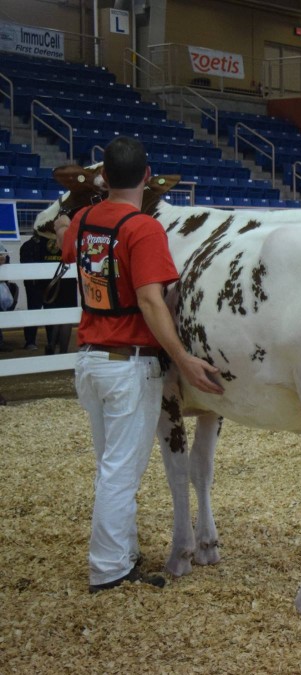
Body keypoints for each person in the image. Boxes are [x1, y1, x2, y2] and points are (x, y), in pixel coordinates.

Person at [53, 136, 224, 593]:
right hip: (128, 364)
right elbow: (152, 300)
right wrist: (183, 357)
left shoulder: (86, 219)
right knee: (120, 471)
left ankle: (121, 552)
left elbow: (65, 243)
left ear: (103, 178)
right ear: (148, 178)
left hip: (89, 360)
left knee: (111, 464)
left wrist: (65, 222)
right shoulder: (144, 228)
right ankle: (109, 571)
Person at [20, 232, 77, 353]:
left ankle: (37, 342)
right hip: (54, 283)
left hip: (45, 283)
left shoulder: (31, 244)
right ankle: (53, 345)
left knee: (39, 312)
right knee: (52, 314)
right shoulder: (65, 242)